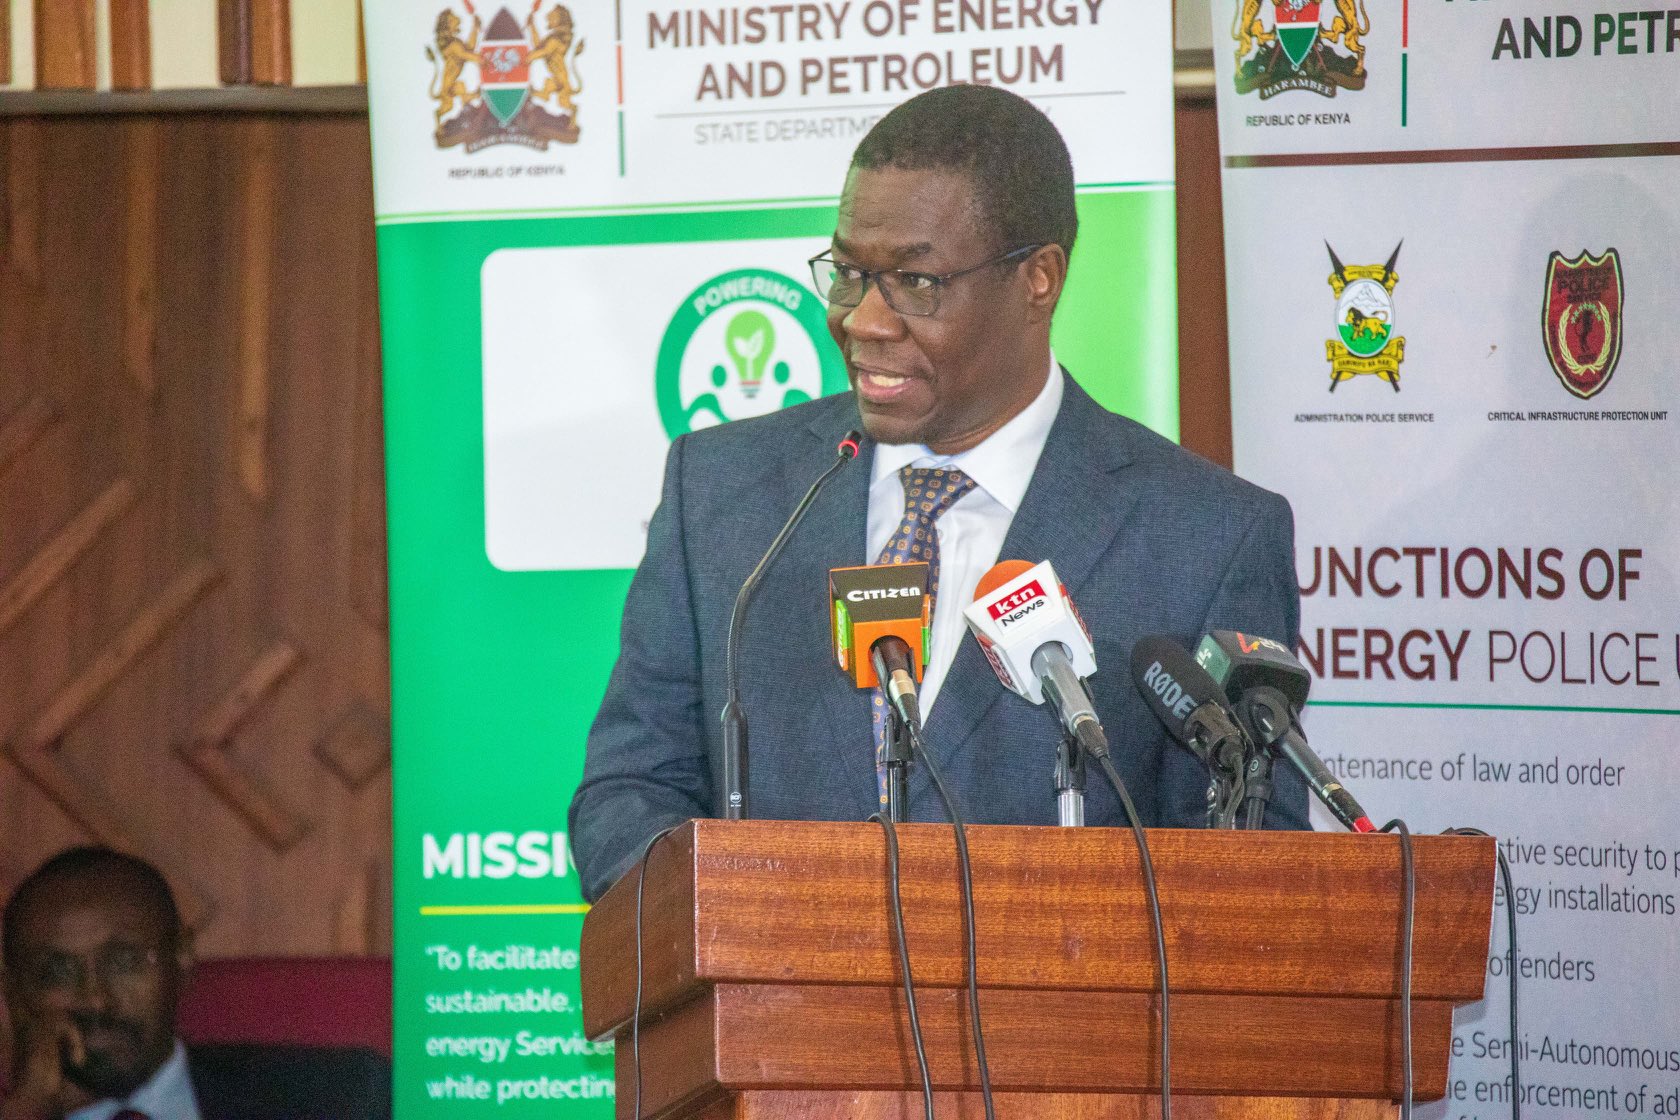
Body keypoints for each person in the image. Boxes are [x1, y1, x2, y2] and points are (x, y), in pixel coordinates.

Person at [568, 84, 1308, 903]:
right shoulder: (724, 491)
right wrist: (744, 931)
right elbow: (628, 794)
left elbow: (1250, 877)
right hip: (772, 1024)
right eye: (849, 273)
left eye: (916, 283)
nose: (863, 320)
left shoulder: (1206, 535)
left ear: (1038, 279)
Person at [1, 847, 389, 1120]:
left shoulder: (342, 1094)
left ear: (181, 961)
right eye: (57, 972)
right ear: (15, 992)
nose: (96, 1000)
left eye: (124, 963)